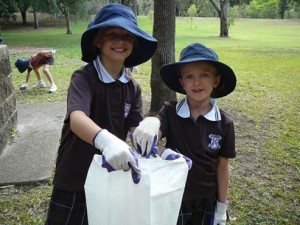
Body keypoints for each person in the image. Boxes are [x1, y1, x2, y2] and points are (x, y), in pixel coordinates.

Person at [45, 4, 157, 224]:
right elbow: (77, 118)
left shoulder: (132, 88)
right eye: (112, 35)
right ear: (98, 41)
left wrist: (156, 141)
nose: (120, 41)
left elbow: (136, 132)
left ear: (134, 44)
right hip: (74, 175)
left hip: (108, 175)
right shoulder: (83, 78)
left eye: (127, 36)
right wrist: (105, 141)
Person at [133, 43, 237, 225]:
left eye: (204, 75)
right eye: (189, 76)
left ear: (216, 80)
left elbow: (223, 166)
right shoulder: (170, 112)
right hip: (173, 194)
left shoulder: (225, 123)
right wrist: (152, 123)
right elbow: (152, 139)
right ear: (182, 82)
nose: (196, 82)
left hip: (207, 199)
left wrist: (221, 206)